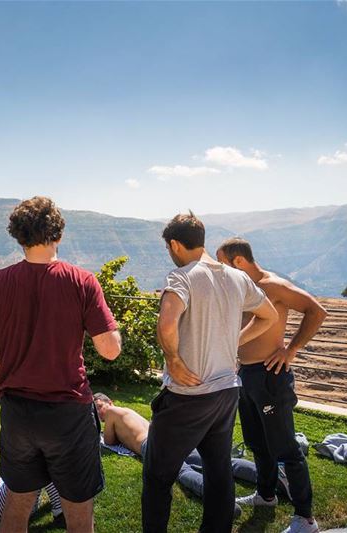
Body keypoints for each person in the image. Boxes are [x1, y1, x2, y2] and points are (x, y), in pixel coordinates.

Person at [0, 196, 122, 533]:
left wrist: (7, 371)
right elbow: (109, 350)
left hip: (17, 414)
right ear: (59, 235)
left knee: (18, 503)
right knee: (78, 514)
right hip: (68, 413)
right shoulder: (81, 281)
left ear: (19, 237)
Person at [142, 212, 278, 533]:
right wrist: (234, 343)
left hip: (187, 397)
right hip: (226, 394)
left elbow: (166, 322)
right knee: (219, 472)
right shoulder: (237, 277)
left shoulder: (182, 277)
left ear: (175, 244)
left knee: (158, 477)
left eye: (168, 248)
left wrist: (173, 360)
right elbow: (268, 315)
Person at [217, 237, 327, 533]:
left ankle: (305, 518)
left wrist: (290, 350)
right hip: (246, 375)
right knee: (257, 443)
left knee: (286, 448)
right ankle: (266, 496)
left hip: (270, 375)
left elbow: (316, 311)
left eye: (223, 263)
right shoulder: (242, 288)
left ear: (238, 261)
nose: (220, 270)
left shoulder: (273, 286)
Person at [94, 392, 285, 519]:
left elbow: (109, 441)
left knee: (183, 472)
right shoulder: (129, 412)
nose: (99, 413)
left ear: (109, 401)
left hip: (150, 445)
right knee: (214, 461)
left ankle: (222, 504)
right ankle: (274, 478)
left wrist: (104, 427)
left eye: (99, 406)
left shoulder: (111, 412)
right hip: (167, 436)